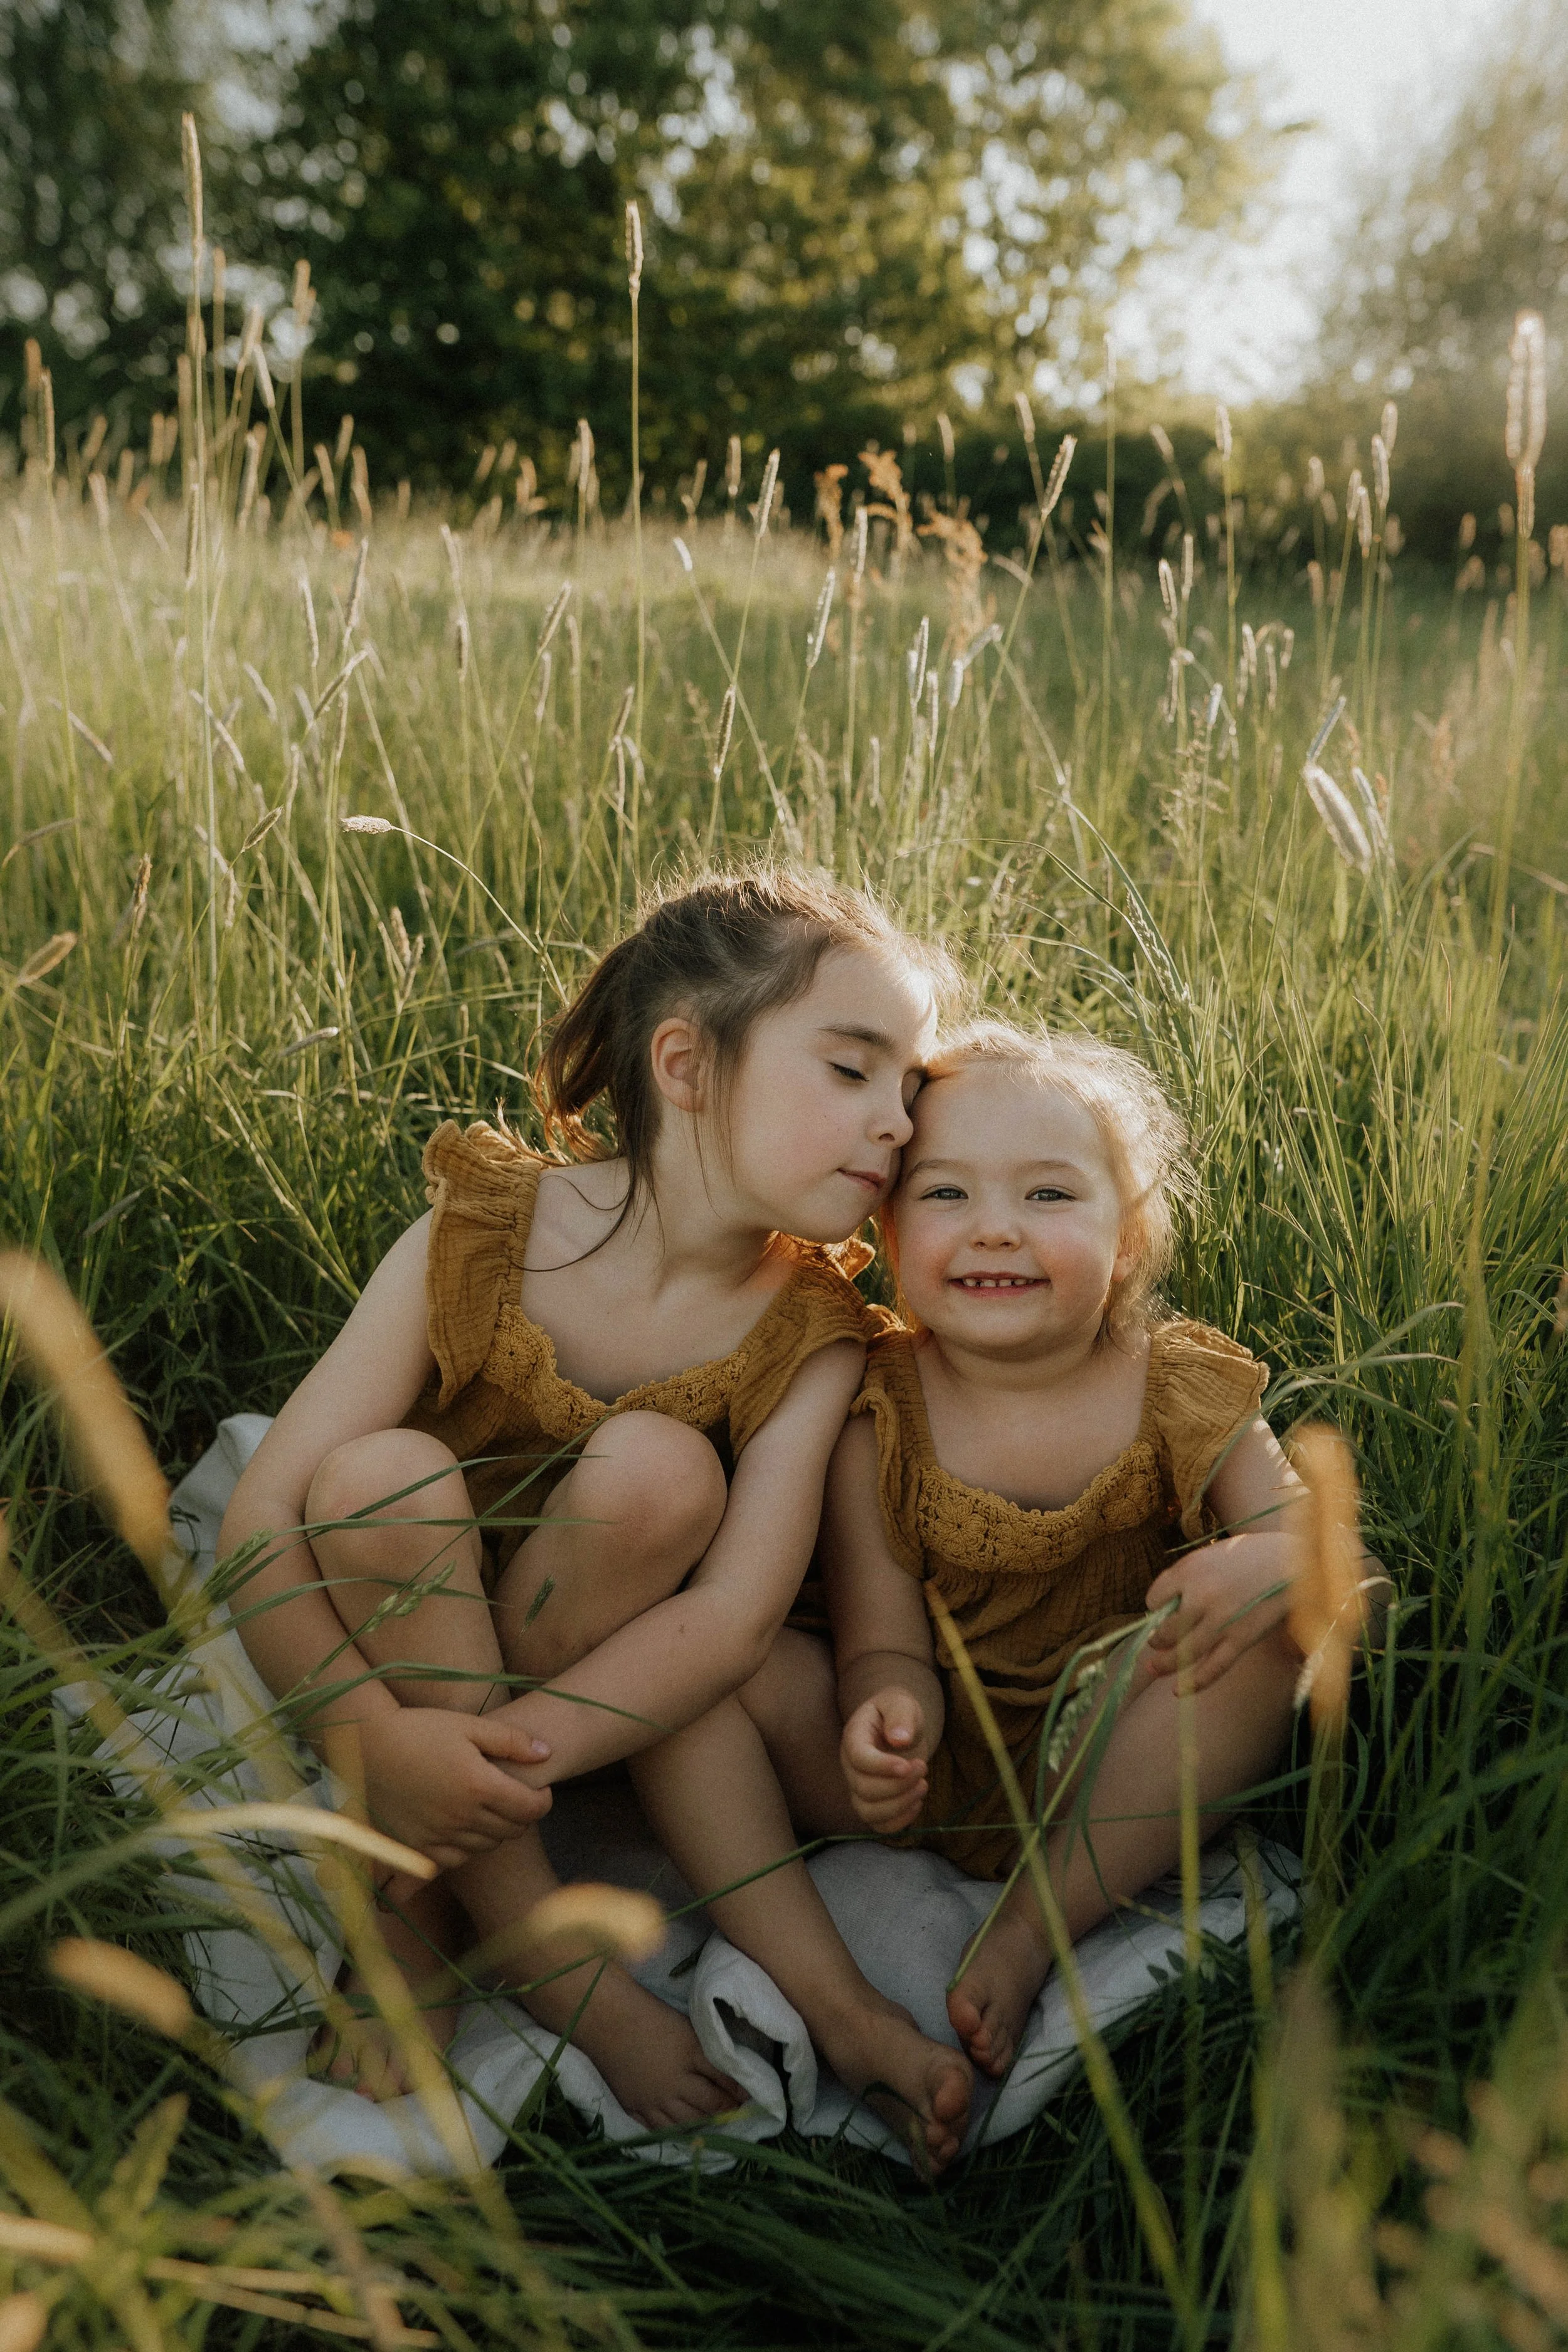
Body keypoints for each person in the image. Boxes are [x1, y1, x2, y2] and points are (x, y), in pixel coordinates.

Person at [218, 864, 968, 2154]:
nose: (897, 1123)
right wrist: (382, 1745)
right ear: (684, 1064)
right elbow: (262, 1523)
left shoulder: (816, 1331)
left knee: (659, 1470)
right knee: (368, 1477)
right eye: (851, 1073)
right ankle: (501, 1939)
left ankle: (465, 1880)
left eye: (910, 1089)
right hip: (405, 1631)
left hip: (605, 1687)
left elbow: (732, 1622)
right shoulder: (482, 1230)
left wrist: (497, 1764)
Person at [632, 1018, 1309, 2141]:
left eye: (1050, 1196)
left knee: (1274, 1641)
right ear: (889, 1229)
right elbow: (881, 1632)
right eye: (945, 1194)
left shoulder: (1179, 1386)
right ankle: (835, 2000)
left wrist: (1276, 1561)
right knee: (684, 1678)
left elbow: (1352, 1575)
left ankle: (1037, 1924)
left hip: (1112, 1761)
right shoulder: (877, 1408)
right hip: (931, 1772)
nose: (995, 1227)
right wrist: (883, 1713)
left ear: (1131, 1238)